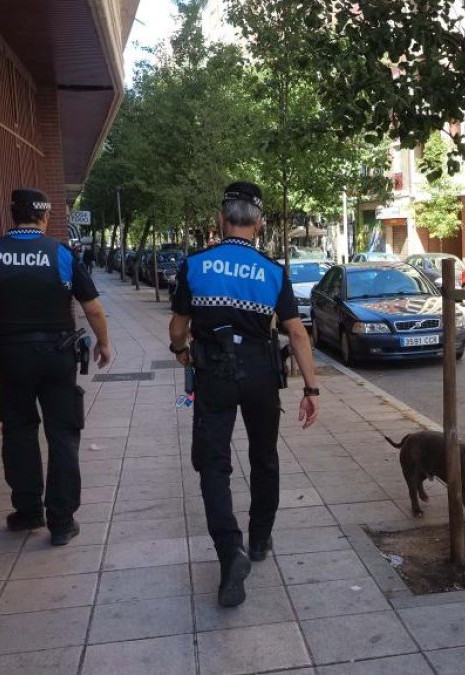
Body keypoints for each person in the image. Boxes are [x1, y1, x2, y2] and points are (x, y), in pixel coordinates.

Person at [169, 181, 320, 608]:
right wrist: (311, 388)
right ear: (259, 222)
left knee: (213, 464)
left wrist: (181, 352)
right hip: (259, 373)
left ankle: (229, 550)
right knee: (264, 456)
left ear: (221, 219)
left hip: (213, 373)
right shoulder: (273, 271)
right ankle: (259, 539)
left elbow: (178, 327)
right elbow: (296, 332)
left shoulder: (195, 265)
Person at [0, 188, 113, 547]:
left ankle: (28, 511)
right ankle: (61, 521)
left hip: (13, 359)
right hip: (58, 357)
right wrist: (104, 343)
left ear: (13, 215)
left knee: (18, 432)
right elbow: (91, 307)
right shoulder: (60, 254)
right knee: (63, 434)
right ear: (43, 218)